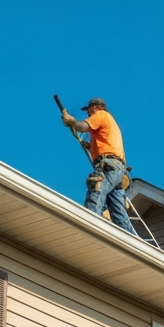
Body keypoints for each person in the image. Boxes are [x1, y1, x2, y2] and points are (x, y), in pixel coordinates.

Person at [61, 97, 138, 235]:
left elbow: (83, 127)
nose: (88, 113)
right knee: (118, 211)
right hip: (118, 171)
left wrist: (72, 121)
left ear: (95, 107)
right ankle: (132, 239)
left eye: (89, 110)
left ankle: (90, 222)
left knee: (97, 190)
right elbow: (105, 142)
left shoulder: (100, 115)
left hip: (109, 165)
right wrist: (91, 147)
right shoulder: (109, 121)